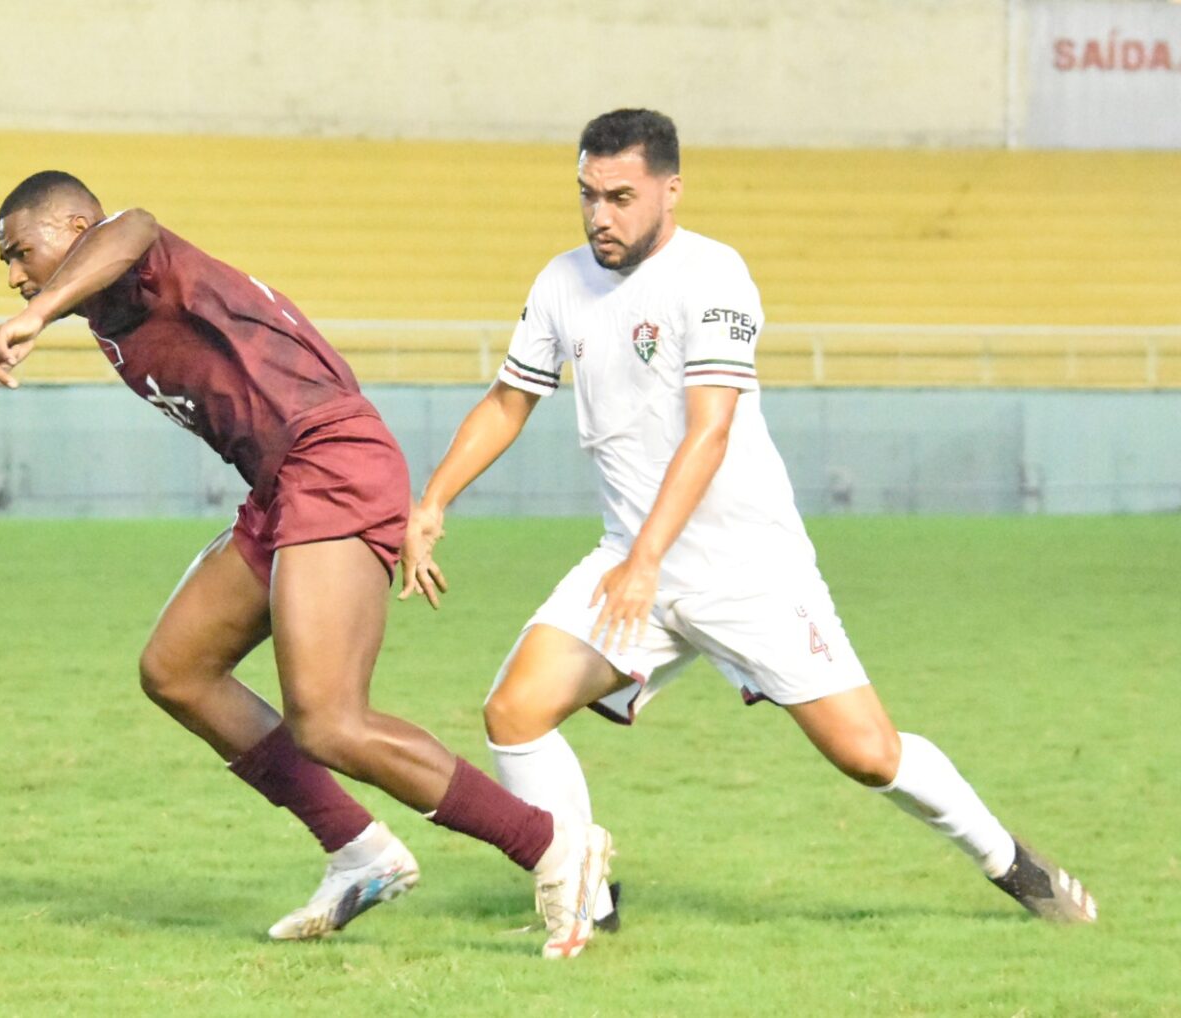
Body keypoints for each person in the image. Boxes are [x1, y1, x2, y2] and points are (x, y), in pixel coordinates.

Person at [400, 109, 1097, 928]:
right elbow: (511, 398)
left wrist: (651, 559)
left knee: (867, 754)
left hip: (744, 570)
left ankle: (1010, 864)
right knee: (514, 712)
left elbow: (711, 430)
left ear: (671, 189)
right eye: (587, 195)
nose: (599, 216)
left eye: (620, 197)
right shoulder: (560, 282)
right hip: (633, 562)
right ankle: (583, 899)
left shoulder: (715, 276)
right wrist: (433, 499)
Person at [0, 171, 613, 958]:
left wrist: (33, 312)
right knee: (177, 668)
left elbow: (131, 226)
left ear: (73, 224)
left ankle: (554, 848)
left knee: (331, 721)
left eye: (21, 252)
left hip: (330, 460)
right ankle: (358, 851)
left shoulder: (135, 249)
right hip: (283, 483)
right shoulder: (107, 314)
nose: (13, 273)